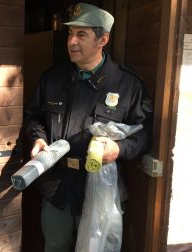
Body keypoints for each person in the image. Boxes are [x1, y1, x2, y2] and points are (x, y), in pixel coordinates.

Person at [23, 2, 152, 251]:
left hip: (99, 189)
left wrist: (119, 148)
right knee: (56, 245)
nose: (71, 41)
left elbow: (144, 133)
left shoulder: (128, 84)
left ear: (103, 39)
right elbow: (32, 116)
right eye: (70, 34)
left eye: (81, 34)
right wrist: (38, 138)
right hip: (56, 187)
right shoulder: (53, 78)